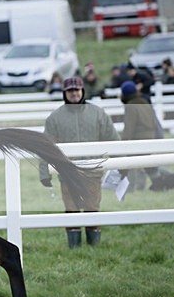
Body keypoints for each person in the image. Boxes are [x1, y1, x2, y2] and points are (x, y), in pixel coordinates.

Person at [40, 76, 120, 248]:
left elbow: (113, 140)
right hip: (68, 175)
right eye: (70, 90)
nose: (74, 93)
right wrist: (44, 172)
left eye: (77, 90)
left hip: (93, 172)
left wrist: (120, 167)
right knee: (71, 210)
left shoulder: (98, 113)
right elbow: (46, 147)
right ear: (64, 93)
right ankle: (74, 248)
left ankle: (93, 247)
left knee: (93, 208)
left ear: (83, 91)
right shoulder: (55, 118)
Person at [120, 80, 161, 190]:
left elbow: (129, 128)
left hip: (138, 140)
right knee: (149, 167)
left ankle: (133, 188)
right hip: (150, 138)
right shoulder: (144, 101)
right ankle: (161, 183)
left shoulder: (130, 106)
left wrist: (122, 143)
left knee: (131, 164)